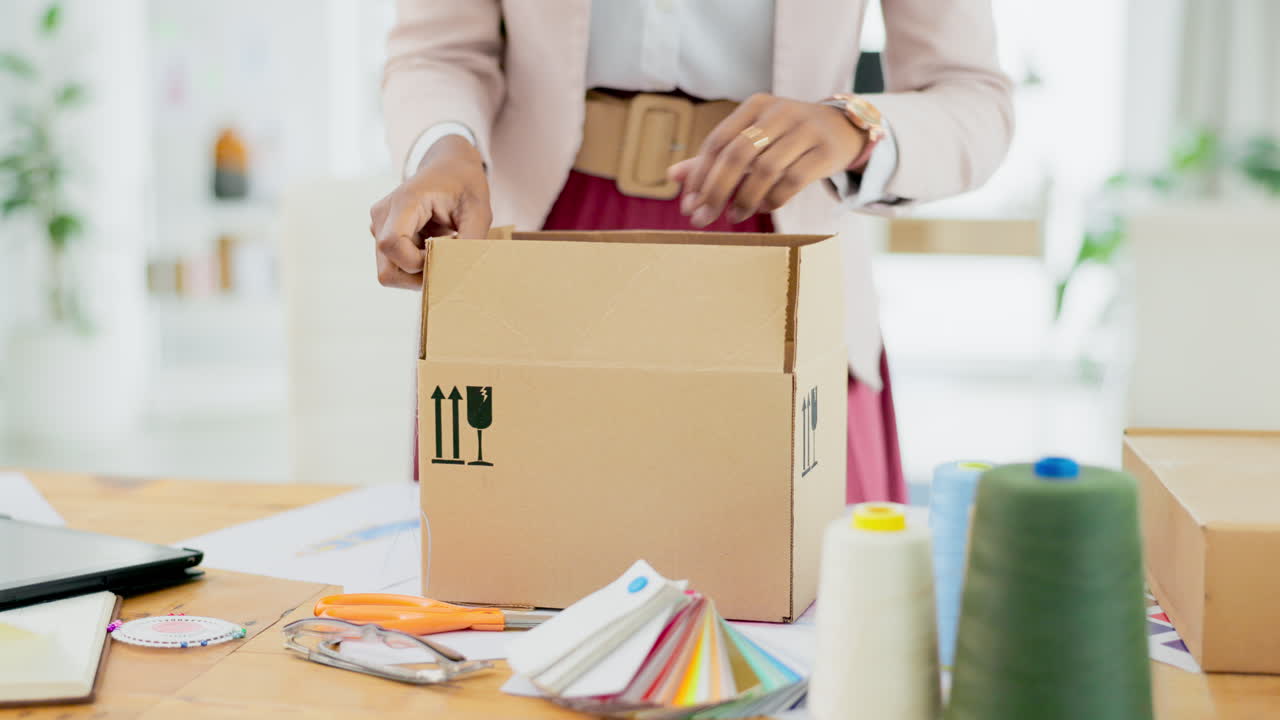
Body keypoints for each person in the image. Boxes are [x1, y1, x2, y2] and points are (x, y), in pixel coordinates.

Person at [372, 0, 1013, 503]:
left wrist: (855, 127)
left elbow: (970, 94)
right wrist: (443, 149)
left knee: (810, 636)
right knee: (503, 604)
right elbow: (439, 49)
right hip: (546, 248)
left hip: (783, 251)